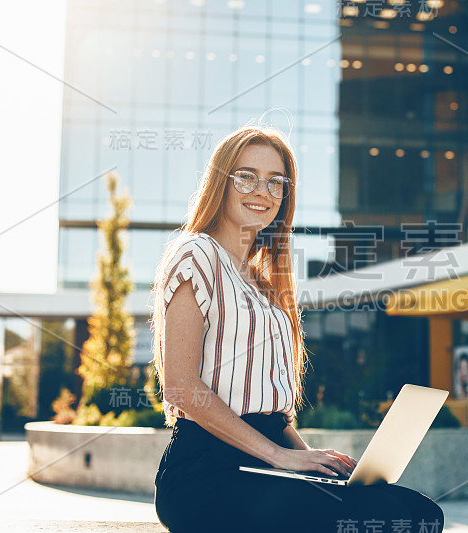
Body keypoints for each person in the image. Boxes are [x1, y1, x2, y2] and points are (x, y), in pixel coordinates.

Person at [150, 125, 444, 532]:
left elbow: (274, 417)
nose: (262, 191)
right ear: (221, 182)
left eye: (276, 182)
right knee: (392, 520)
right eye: (246, 176)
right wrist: (280, 457)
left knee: (423, 513)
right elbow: (181, 385)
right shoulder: (196, 253)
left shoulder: (263, 282)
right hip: (207, 472)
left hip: (267, 462)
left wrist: (313, 461)